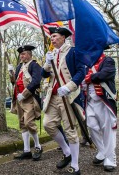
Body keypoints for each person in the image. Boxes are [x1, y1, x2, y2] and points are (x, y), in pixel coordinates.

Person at [41, 26, 85, 175]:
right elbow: (43, 74)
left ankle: (75, 165)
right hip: (53, 96)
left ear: (63, 37)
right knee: (48, 124)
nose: (52, 39)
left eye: (54, 36)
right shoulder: (51, 53)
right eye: (51, 37)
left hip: (68, 96)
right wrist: (47, 62)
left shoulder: (73, 51)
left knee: (70, 130)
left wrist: (69, 87)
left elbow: (81, 72)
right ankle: (67, 152)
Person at [83, 51, 117, 172]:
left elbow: (105, 74)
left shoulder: (108, 60)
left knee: (107, 130)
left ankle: (110, 159)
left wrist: (89, 78)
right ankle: (102, 151)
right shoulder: (87, 64)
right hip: (90, 101)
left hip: (104, 100)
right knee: (91, 127)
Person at [8, 45, 43, 161]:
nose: (21, 56)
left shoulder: (34, 65)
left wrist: (24, 93)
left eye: (23, 54)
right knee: (22, 124)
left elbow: (36, 81)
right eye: (20, 54)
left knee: (29, 123)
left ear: (29, 54)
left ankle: (38, 146)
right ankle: (27, 150)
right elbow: (14, 82)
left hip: (29, 98)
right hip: (19, 99)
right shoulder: (19, 67)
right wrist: (11, 73)